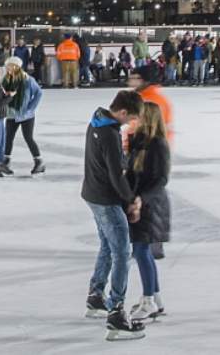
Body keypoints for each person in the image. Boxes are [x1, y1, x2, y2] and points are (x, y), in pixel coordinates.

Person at [82, 90, 146, 341]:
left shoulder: (96, 120)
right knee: (121, 252)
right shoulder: (109, 133)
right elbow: (115, 175)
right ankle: (116, 314)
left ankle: (96, 296)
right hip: (106, 200)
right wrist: (130, 200)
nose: (131, 123)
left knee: (107, 247)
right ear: (121, 112)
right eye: (130, 118)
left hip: (92, 195)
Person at [126, 101, 171, 323]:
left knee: (142, 251)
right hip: (138, 202)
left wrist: (141, 199)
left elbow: (161, 179)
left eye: (139, 116)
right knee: (141, 251)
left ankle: (148, 300)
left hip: (152, 205)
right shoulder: (139, 142)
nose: (135, 118)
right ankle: (156, 298)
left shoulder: (159, 145)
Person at [0, 56, 45, 176]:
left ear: (16, 66)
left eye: (10, 65)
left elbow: (39, 93)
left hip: (26, 116)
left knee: (28, 138)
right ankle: (6, 161)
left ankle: (39, 162)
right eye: (7, 66)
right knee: (8, 138)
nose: (7, 68)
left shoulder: (28, 80)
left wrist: (31, 108)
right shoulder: (6, 79)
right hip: (11, 114)